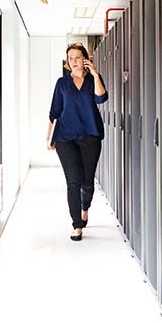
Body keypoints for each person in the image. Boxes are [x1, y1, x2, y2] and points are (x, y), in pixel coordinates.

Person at [46, 42, 108, 241]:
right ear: (67, 62)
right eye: (70, 58)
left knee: (87, 182)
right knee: (73, 182)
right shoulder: (62, 83)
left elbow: (102, 98)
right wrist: (49, 137)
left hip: (90, 135)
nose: (73, 61)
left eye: (77, 57)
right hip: (65, 138)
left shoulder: (93, 81)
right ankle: (77, 226)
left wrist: (96, 74)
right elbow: (54, 112)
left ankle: (85, 207)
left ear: (85, 59)